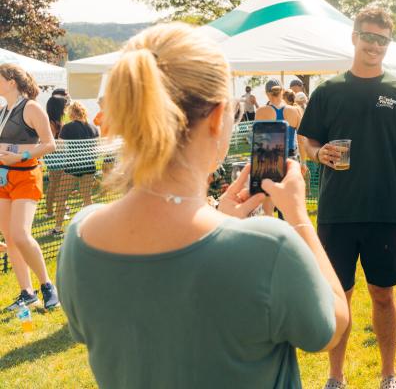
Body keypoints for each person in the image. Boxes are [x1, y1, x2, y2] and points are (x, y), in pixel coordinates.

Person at [56, 23, 349, 388]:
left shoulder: (80, 238)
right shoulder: (268, 246)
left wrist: (218, 220)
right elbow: (332, 327)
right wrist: (298, 217)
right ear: (216, 117)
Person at [299, 7, 396, 389]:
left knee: (383, 295)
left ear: (388, 44)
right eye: (368, 36)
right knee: (339, 296)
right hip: (337, 211)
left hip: (383, 211)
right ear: (354, 37)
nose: (374, 45)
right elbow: (308, 139)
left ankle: (389, 375)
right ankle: (334, 377)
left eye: (382, 39)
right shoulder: (329, 89)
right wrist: (317, 153)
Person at [0, 64, 60, 311]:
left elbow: (49, 144)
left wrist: (20, 155)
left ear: (11, 81)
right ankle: (27, 292)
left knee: (21, 235)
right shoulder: (3, 110)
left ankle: (47, 285)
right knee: (10, 238)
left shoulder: (32, 107)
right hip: (3, 178)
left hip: (26, 176)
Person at [48, 102, 100, 237]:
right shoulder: (93, 128)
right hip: (89, 166)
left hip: (72, 167)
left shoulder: (67, 127)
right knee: (87, 196)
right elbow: (96, 149)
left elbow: (59, 148)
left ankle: (58, 229)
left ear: (72, 113)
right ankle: (91, 226)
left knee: (61, 197)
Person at [43, 94, 68, 218]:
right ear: (57, 107)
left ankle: (58, 208)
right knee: (55, 184)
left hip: (60, 156)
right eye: (63, 106)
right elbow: (51, 142)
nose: (65, 108)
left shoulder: (58, 120)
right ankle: (49, 212)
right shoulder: (50, 122)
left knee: (58, 184)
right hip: (54, 157)